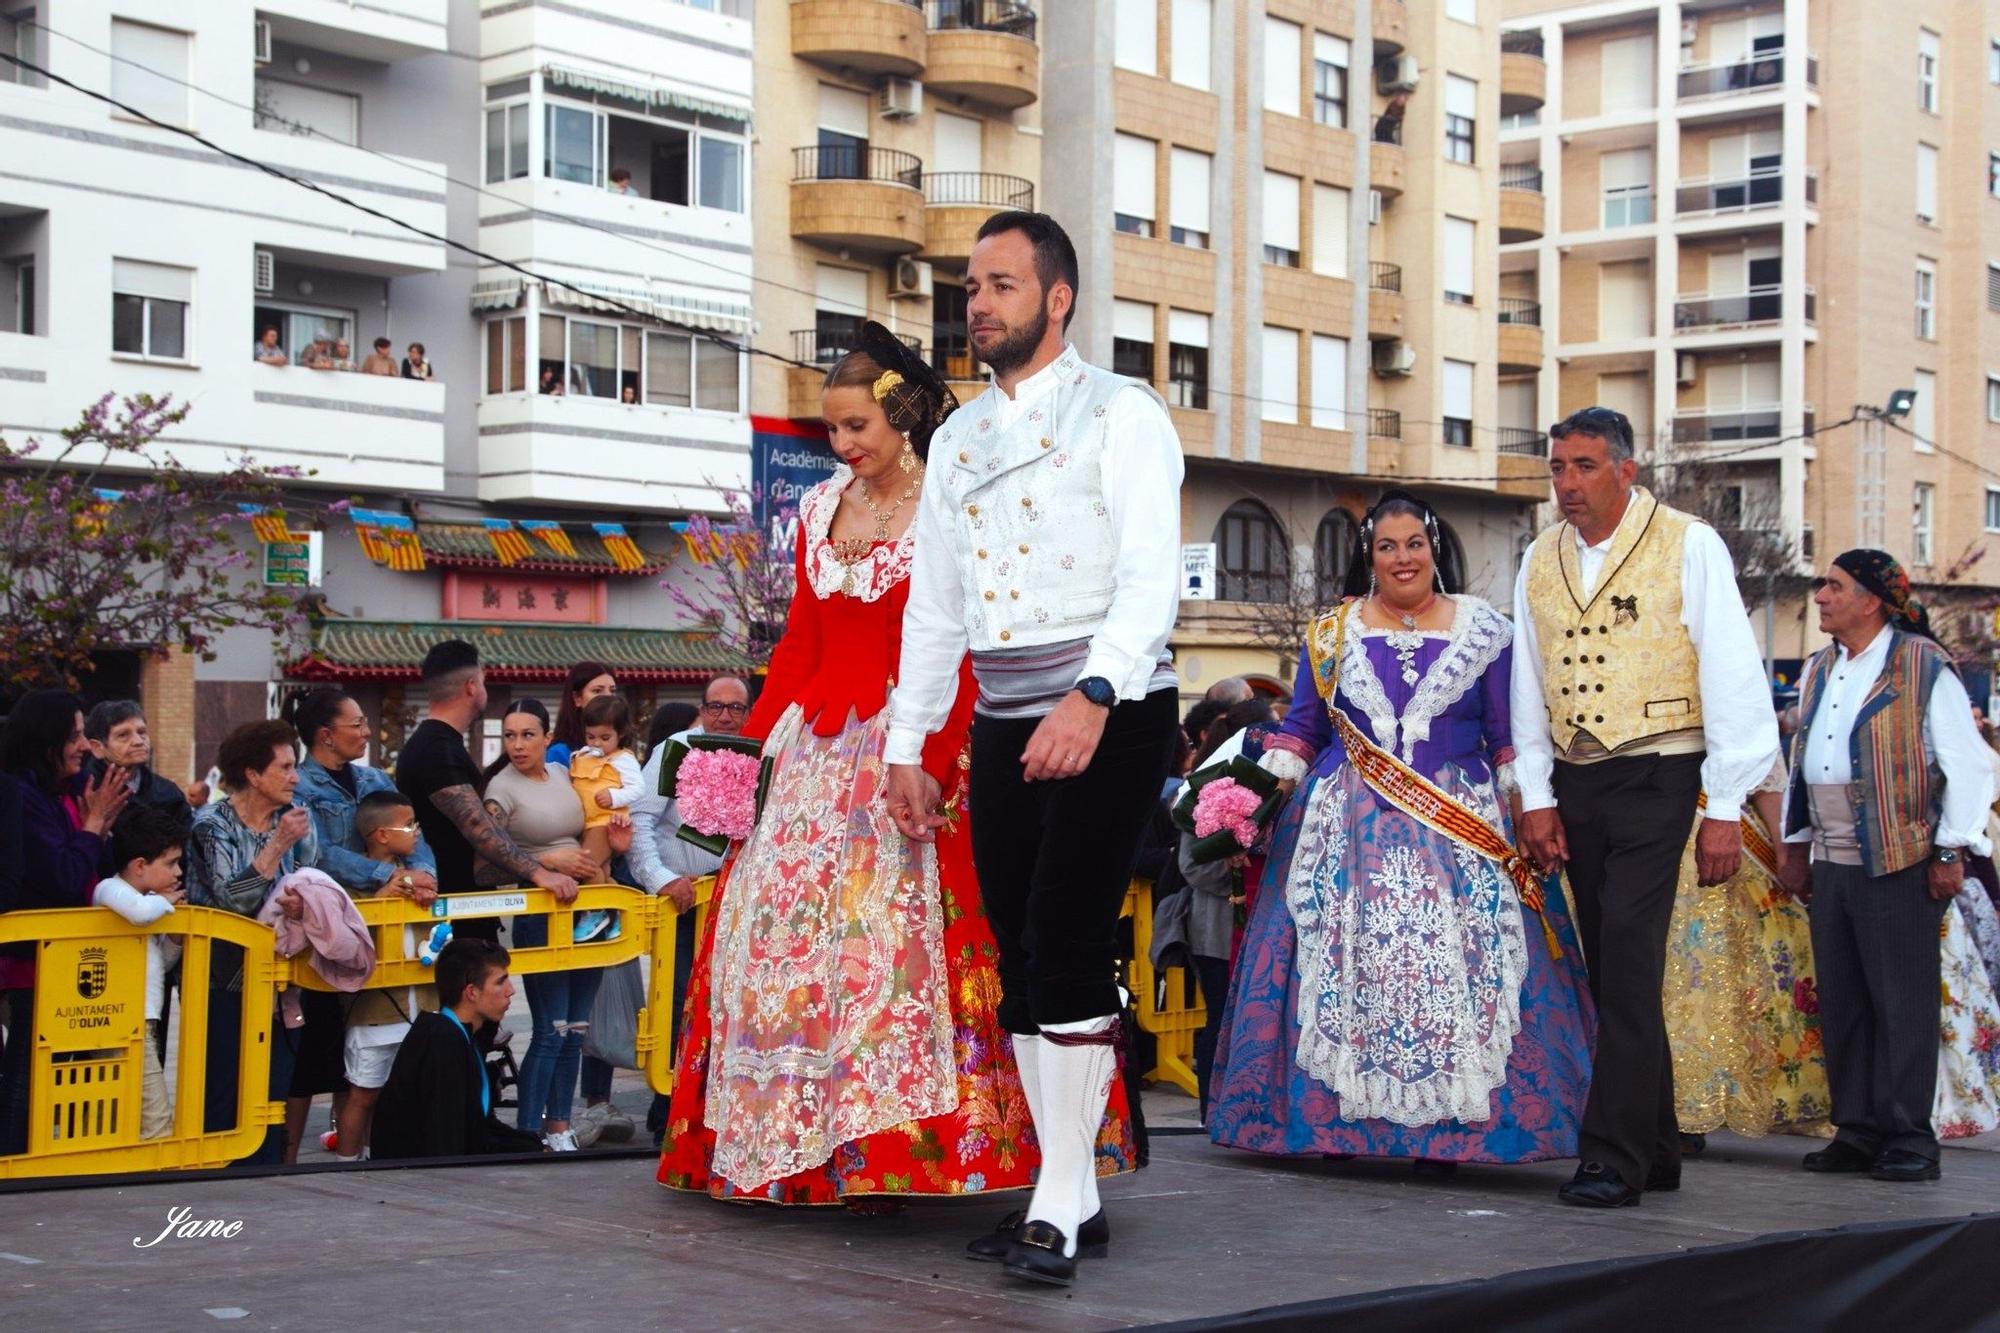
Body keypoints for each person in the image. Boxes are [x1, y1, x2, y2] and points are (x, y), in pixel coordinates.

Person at [661, 320, 1136, 1216]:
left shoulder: (950, 501)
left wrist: (942, 754)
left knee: (893, 944)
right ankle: (801, 1143)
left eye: (856, 428)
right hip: (812, 749)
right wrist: (746, 752)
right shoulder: (815, 510)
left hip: (914, 742)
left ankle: (905, 1149)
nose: (842, 446)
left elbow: (958, 640)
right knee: (784, 941)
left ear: (905, 419)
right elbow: (798, 646)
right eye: (832, 430)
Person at [881, 211, 1180, 1285]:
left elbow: (1151, 577)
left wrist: (1093, 692)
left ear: (1055, 299)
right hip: (1004, 716)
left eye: (1000, 285)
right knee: (1018, 947)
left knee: (1064, 934)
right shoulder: (956, 438)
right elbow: (934, 609)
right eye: (970, 286)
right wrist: (907, 742)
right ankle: (1075, 1188)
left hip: (1112, 704)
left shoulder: (1123, 414)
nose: (978, 304)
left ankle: (1055, 1196)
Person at [1210, 491, 1594, 1172]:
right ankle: (1333, 1127)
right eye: (1386, 546)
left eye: (1413, 543)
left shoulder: (1486, 631)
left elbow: (1506, 737)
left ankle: (1445, 1136)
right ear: (1369, 556)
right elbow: (1303, 728)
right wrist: (1254, 793)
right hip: (1343, 828)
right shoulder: (1331, 631)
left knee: (1467, 967)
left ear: (1434, 549)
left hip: (1459, 826)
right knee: (1337, 965)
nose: (1402, 557)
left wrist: (1532, 803)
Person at [1511, 405, 1780, 1208]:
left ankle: (1611, 1156)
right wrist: (1536, 794)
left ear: (1628, 470)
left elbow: (1733, 669)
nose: (1568, 484)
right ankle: (1658, 1145)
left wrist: (1727, 803)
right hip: (1578, 775)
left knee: (1629, 959)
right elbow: (1529, 681)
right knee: (1609, 964)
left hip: (1663, 771)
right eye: (1559, 467)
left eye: (1585, 466)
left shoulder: (1689, 542)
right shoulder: (1537, 557)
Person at [1777, 552, 1995, 1182]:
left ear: (1871, 599)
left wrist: (1951, 848)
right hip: (1833, 856)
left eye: (1833, 586)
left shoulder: (1922, 665)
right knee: (1843, 997)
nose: (1819, 596)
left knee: (1900, 999)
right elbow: (1805, 761)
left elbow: (1971, 764)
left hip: (1899, 857)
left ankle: (1908, 1135)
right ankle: (1858, 1127)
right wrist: (1795, 844)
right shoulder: (1820, 667)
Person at [0, 690, 130, 1153]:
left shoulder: (66, 793)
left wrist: (100, 824)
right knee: (24, 1074)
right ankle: (13, 1165)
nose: (84, 746)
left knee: (59, 1074)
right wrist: (92, 825)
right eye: (74, 735)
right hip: (32, 960)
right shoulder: (21, 794)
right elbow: (63, 878)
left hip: (74, 959)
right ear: (47, 739)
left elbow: (94, 870)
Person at [186, 718, 319, 1164]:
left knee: (272, 1094)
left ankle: (267, 1183)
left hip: (283, 981)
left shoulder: (297, 819)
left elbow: (312, 880)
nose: (295, 777)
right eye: (283, 767)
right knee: (225, 1094)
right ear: (253, 774)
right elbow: (231, 903)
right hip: (223, 981)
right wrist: (277, 845)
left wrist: (306, 906)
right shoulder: (212, 825)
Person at [627, 674, 749, 1149]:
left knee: (729, 1010)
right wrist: (661, 879)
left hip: (735, 903)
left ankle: (715, 1119)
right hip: (681, 903)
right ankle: (669, 1115)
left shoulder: (761, 750)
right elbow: (640, 820)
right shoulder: (676, 749)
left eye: (735, 708)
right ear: (701, 708)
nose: (723, 716)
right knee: (680, 1006)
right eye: (714, 706)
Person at [479, 700, 602, 1151]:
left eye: (527, 734)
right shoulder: (500, 788)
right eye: (510, 735)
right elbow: (487, 862)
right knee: (550, 1030)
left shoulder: (564, 774)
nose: (517, 744)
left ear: (547, 737)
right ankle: (530, 1129)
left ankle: (559, 1125)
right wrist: (545, 860)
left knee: (575, 1029)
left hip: (592, 908)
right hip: (541, 909)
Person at [395, 639, 578, 939]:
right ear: (471, 686)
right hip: (451, 914)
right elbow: (479, 827)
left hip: (464, 907)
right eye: (483, 681)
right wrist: (540, 871)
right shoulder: (436, 750)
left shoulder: (439, 744)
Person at [369, 938, 547, 1159]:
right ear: (471, 992)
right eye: (501, 982)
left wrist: (533, 1145)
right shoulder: (442, 1043)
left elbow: (478, 1127)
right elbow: (443, 1143)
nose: (511, 991)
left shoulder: (462, 1033)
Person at [289, 687, 438, 904]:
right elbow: (320, 854)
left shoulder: (376, 779)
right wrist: (390, 874)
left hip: (398, 903)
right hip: (339, 909)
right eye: (358, 725)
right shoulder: (299, 787)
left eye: (365, 722)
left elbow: (412, 831)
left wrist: (424, 877)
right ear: (326, 736)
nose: (367, 731)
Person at [94, 803, 187, 1140]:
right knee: (156, 1120)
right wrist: (168, 904)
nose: (178, 873)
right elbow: (138, 914)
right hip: (120, 1022)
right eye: (171, 863)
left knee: (124, 1113)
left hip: (140, 1021)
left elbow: (157, 963)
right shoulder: (111, 890)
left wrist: (175, 938)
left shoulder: (148, 901)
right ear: (139, 865)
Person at [84, 700, 195, 837]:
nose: (138, 741)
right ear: (98, 748)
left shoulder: (169, 793)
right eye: (123, 735)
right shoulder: (85, 792)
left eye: (142, 732)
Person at [568, 694, 642, 898]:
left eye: (605, 738)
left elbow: (637, 789)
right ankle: (611, 907)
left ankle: (597, 912)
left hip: (605, 823)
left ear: (621, 733)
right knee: (600, 871)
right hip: (586, 823)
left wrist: (614, 796)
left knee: (585, 867)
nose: (597, 743)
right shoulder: (583, 754)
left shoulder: (623, 759)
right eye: (591, 737)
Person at [546, 661, 616, 769]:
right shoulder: (560, 754)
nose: (608, 697)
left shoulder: (619, 749)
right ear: (577, 698)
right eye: (597, 691)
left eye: (612, 690)